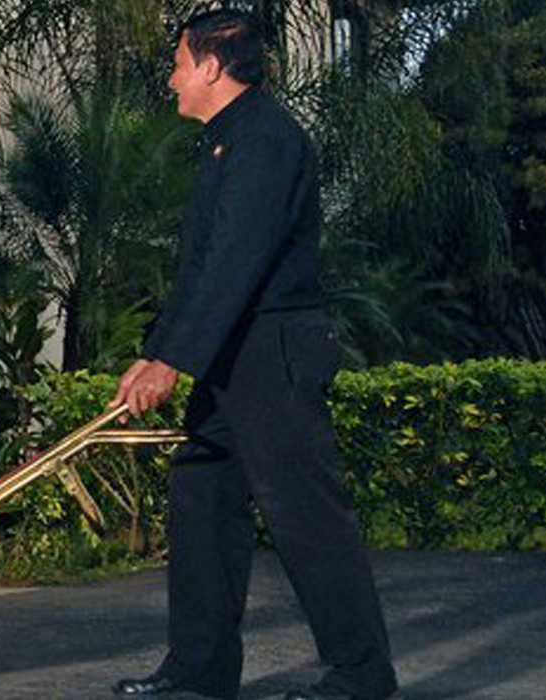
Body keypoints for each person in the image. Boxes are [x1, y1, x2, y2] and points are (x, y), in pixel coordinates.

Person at [108, 10, 399, 700]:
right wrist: (157, 351)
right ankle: (200, 672)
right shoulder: (224, 143)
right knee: (202, 503)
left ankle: (363, 675)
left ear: (212, 66)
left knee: (305, 514)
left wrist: (173, 363)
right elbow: (201, 269)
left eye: (180, 63)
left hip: (273, 349)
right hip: (232, 351)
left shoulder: (266, 141)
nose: (173, 78)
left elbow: (237, 263)